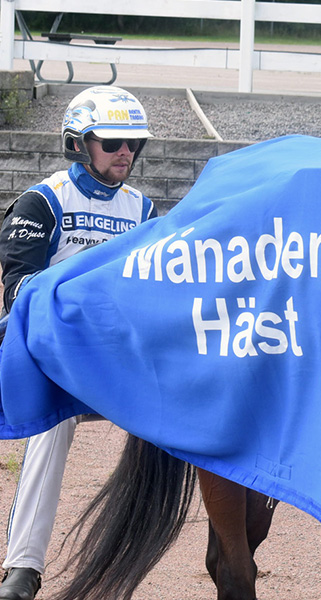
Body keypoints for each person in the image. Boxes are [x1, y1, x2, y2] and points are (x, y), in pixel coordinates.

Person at [0, 86, 155, 600]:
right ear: (77, 143)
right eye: (112, 141)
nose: (125, 153)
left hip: (121, 358)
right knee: (51, 422)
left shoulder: (146, 210)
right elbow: (18, 292)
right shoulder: (40, 200)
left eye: (133, 143)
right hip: (56, 355)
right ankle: (23, 569)